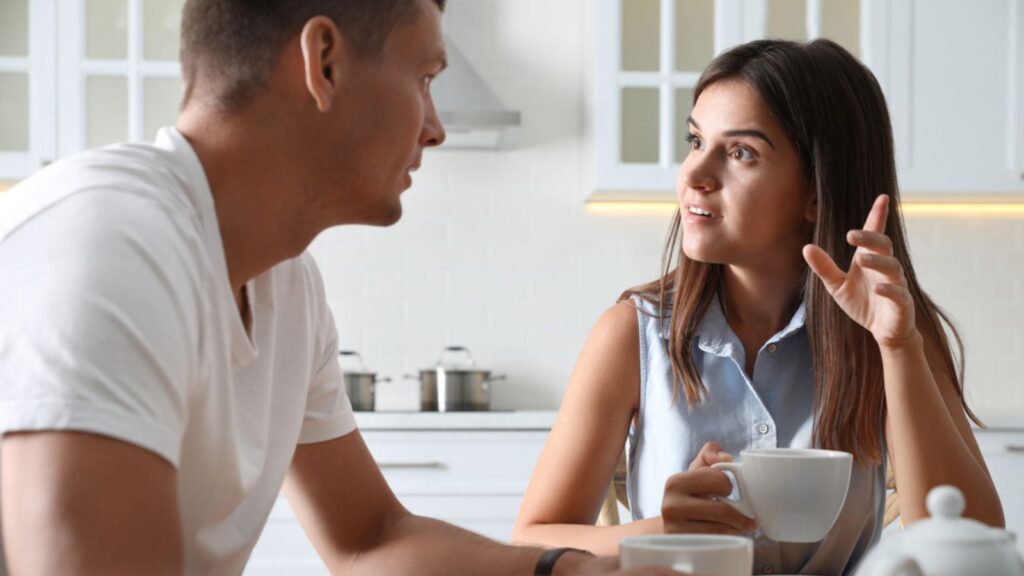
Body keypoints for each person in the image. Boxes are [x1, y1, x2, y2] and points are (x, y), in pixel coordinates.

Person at [0, 1, 683, 575]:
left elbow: (371, 537)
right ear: (323, 62)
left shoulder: (286, 286)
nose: (435, 126)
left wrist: (570, 570)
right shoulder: (111, 246)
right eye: (423, 76)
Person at [513, 38, 1005, 575]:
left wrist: (898, 347)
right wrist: (663, 532)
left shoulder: (892, 331)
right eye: (695, 140)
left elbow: (973, 542)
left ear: (816, 192)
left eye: (741, 152)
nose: (694, 175)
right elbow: (531, 539)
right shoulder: (633, 333)